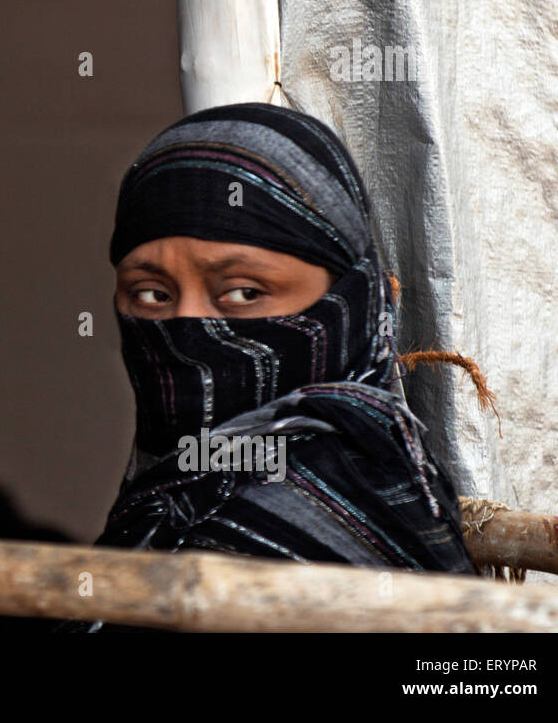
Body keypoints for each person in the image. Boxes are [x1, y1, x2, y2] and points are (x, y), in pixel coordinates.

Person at [62, 102, 477, 633]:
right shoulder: (169, 498)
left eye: (244, 292)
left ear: (347, 302)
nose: (187, 328)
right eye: (151, 293)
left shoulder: (336, 506)